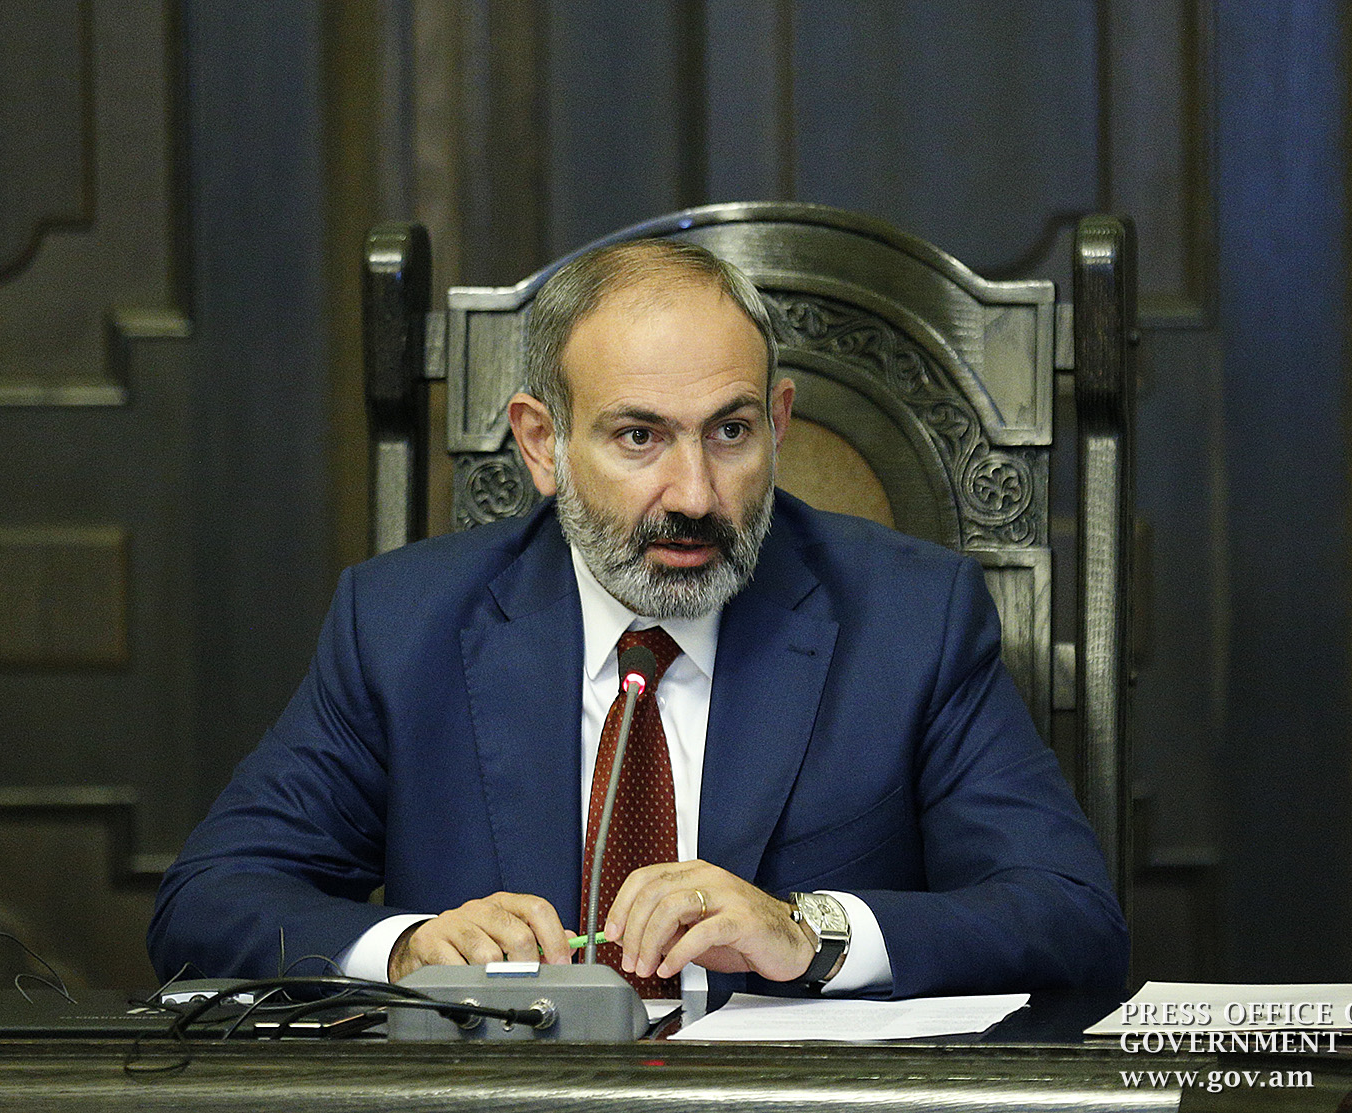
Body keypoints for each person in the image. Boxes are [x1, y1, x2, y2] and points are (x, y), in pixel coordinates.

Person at [147, 238, 1127, 1004]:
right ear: (543, 444)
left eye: (730, 432)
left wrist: (811, 933)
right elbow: (209, 899)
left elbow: (1071, 916)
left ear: (778, 424)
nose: (694, 494)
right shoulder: (403, 626)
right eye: (638, 436)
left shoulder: (910, 620)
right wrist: (405, 949)